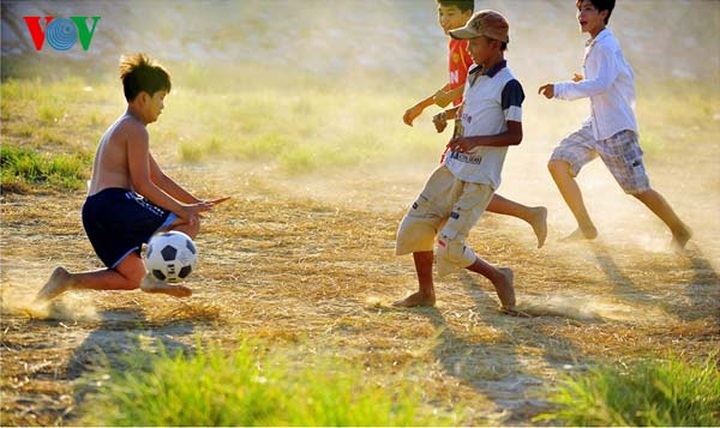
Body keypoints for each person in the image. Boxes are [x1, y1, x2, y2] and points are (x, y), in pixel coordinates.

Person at [35, 53, 229, 302]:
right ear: (143, 98)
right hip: (115, 204)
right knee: (189, 223)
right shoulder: (135, 129)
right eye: (160, 98)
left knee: (132, 279)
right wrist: (184, 210)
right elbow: (142, 184)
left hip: (95, 213)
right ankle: (159, 274)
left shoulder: (125, 126)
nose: (162, 106)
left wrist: (196, 203)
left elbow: (158, 177)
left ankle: (67, 280)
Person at [394, 10, 523, 311]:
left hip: (479, 177)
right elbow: (471, 103)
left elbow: (515, 135)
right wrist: (447, 114)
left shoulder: (510, 86)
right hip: (453, 166)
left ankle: (499, 276)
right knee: (415, 226)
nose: (468, 49)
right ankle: (426, 293)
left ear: (494, 44)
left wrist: (474, 141)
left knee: (450, 246)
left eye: (474, 43)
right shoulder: (475, 74)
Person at [538, 0, 691, 249]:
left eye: (588, 9)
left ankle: (679, 229)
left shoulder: (606, 45)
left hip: (617, 130)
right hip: (596, 126)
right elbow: (609, 80)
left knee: (638, 189)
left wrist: (560, 89)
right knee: (557, 163)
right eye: (579, 9)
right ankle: (586, 226)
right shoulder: (595, 44)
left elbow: (602, 84)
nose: (581, 14)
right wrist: (583, 81)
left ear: (604, 13)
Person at [403, 0, 548, 249]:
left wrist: (433, 105)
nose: (443, 20)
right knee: (458, 187)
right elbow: (457, 85)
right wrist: (429, 107)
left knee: (461, 187)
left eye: (450, 13)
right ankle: (445, 240)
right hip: (464, 122)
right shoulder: (457, 42)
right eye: (440, 13)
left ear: (468, 15)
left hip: (476, 125)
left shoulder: (469, 46)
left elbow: (472, 80)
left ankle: (446, 242)